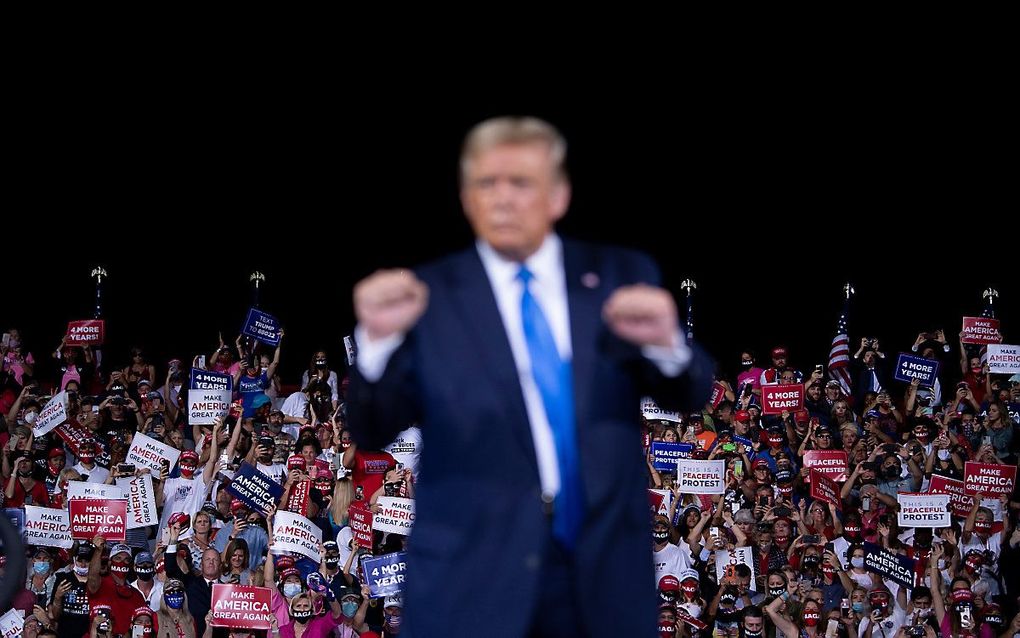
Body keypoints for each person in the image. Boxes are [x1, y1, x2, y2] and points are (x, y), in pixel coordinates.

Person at [347, 116, 712, 636]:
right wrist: (377, 346)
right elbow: (372, 426)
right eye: (486, 184)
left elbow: (689, 392)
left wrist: (669, 346)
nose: (502, 198)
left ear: (557, 196)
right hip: (470, 578)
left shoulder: (617, 275)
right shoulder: (426, 295)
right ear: (466, 198)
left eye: (520, 183)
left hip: (599, 579)